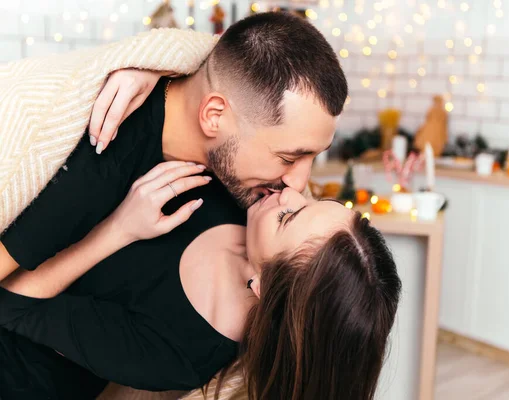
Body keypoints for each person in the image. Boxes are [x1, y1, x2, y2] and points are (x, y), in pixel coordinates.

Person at [0, 161, 401, 399]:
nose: (291, 191)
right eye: (313, 202)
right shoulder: (253, 200)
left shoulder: (177, 353)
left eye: (288, 217)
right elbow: (230, 76)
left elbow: (11, 301)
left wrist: (120, 228)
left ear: (263, 287)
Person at [0, 11, 347, 281]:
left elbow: (222, 51)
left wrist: (156, 58)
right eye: (289, 157)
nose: (299, 184)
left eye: (312, 157)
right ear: (213, 115)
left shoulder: (252, 187)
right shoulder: (93, 161)